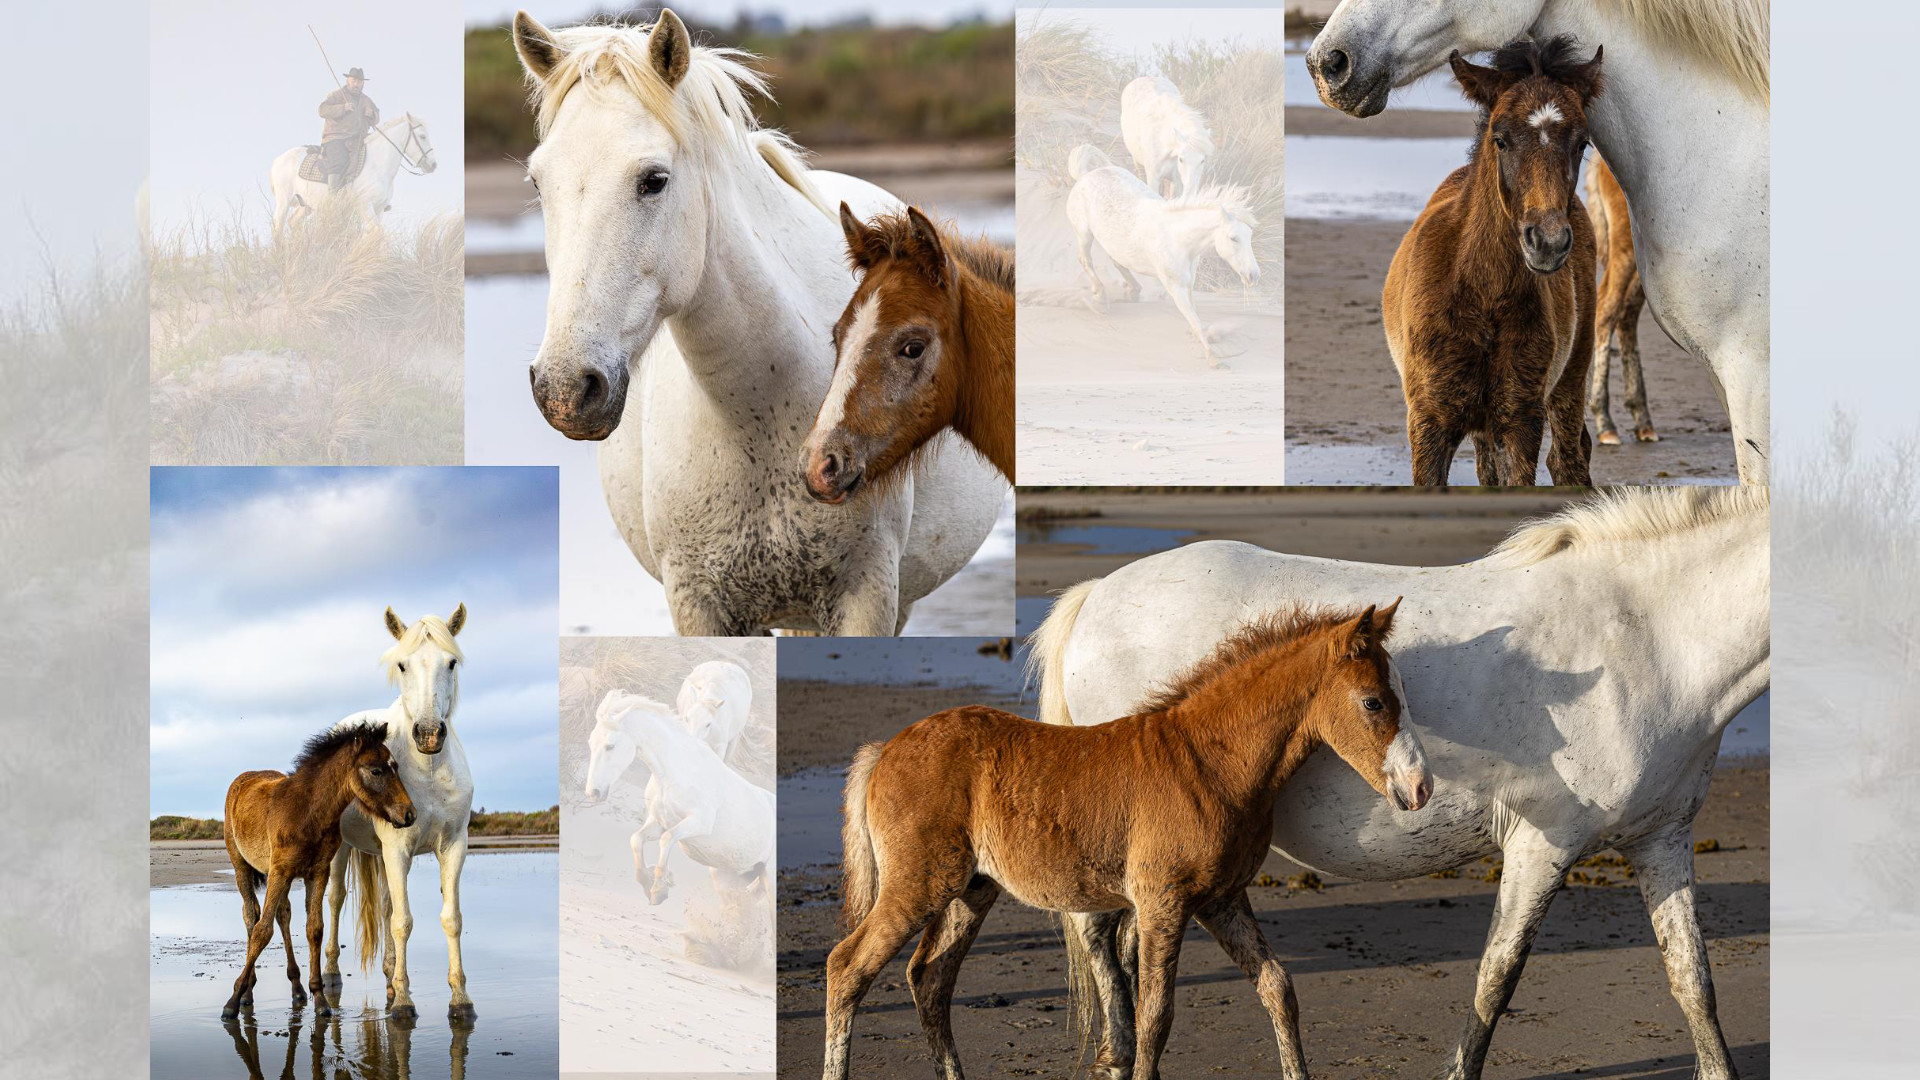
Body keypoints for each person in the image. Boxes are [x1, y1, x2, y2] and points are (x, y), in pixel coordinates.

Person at [317, 67, 380, 190]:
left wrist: (372, 114)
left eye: (359, 82)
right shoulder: (337, 95)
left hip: (359, 139)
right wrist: (343, 108)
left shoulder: (367, 100)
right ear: (348, 81)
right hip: (336, 137)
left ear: (363, 84)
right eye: (353, 81)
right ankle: (333, 196)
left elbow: (377, 117)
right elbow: (322, 110)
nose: (356, 84)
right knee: (339, 161)